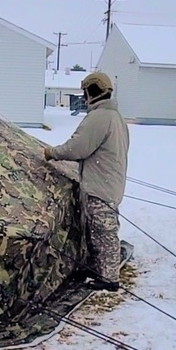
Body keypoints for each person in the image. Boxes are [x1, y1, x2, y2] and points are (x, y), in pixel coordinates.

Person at [44, 71, 130, 291]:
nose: (84, 97)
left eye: (85, 92)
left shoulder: (100, 117)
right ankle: (99, 269)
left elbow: (77, 148)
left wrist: (52, 153)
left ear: (92, 91)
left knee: (103, 231)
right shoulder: (115, 117)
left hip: (101, 185)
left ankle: (109, 279)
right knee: (99, 230)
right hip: (109, 182)